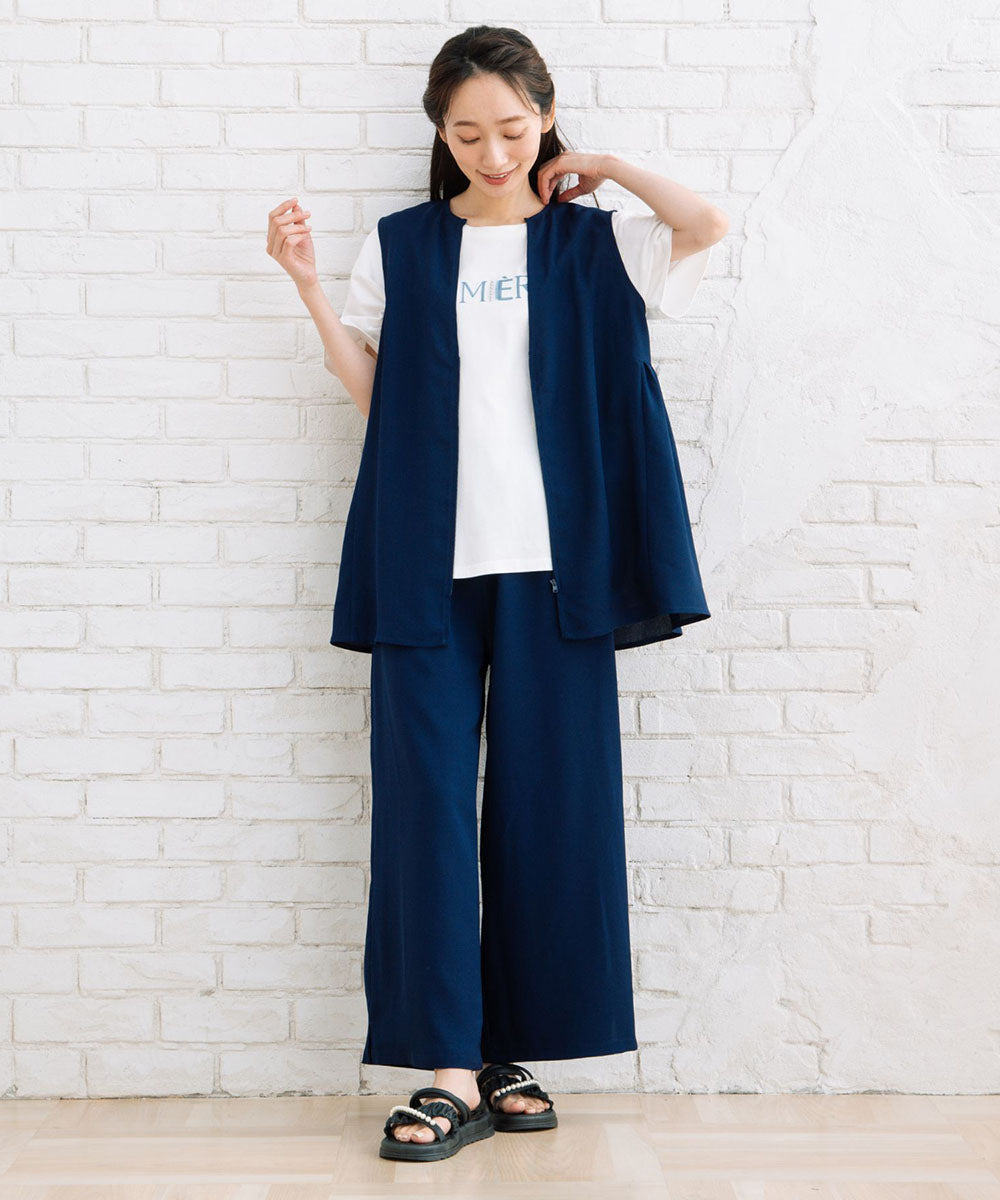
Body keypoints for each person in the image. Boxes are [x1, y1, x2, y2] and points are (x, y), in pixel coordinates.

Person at [267, 24, 728, 1163]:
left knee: (550, 809)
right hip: (424, 564)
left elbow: (707, 225)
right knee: (422, 813)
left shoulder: (596, 239)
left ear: (545, 117)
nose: (491, 151)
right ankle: (444, 1071)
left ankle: (512, 1053)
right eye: (467, 132)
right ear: (440, 131)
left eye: (513, 130)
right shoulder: (404, 245)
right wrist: (310, 290)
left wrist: (605, 166)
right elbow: (374, 392)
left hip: (559, 571)